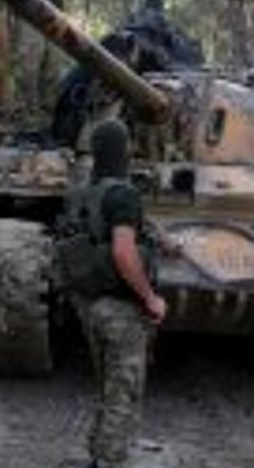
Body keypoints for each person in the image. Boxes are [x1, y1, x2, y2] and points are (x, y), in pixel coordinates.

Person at [70, 119, 167, 468]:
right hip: (121, 307)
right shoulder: (124, 194)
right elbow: (124, 253)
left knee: (109, 389)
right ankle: (108, 460)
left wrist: (163, 241)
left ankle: (98, 454)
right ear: (124, 150)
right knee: (124, 393)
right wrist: (150, 298)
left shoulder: (83, 193)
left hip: (90, 302)